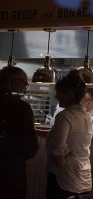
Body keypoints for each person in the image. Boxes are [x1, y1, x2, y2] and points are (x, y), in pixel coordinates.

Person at [46, 71, 93, 199]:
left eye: (59, 93)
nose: (56, 96)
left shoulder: (65, 116)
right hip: (84, 177)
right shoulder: (86, 116)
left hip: (64, 180)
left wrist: (58, 153)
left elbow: (59, 159)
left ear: (69, 94)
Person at [0, 66, 39, 199]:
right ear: (13, 82)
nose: (25, 87)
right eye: (24, 83)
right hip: (11, 170)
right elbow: (30, 145)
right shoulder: (21, 107)